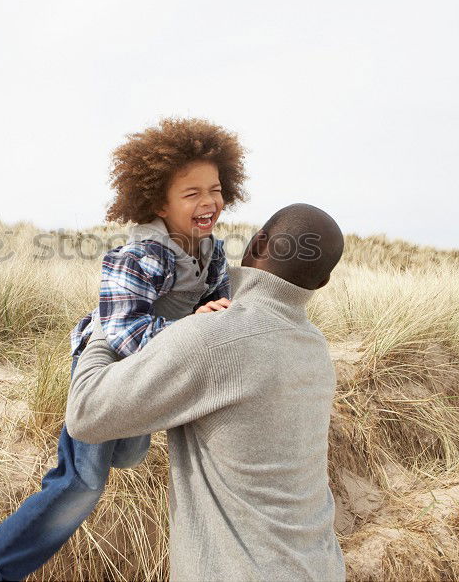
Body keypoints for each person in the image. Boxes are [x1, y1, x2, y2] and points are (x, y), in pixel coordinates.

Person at [0, 117, 249, 582]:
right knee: (83, 482)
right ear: (158, 204)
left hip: (156, 360)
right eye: (191, 194)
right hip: (107, 359)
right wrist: (191, 328)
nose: (209, 201)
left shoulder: (210, 253)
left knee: (128, 454)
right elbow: (125, 330)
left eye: (215, 188)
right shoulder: (139, 255)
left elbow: (217, 309)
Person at [65, 203, 346, 582]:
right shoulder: (316, 349)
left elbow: (85, 412)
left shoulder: (212, 339)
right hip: (321, 568)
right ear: (322, 283)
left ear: (256, 244)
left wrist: (109, 316)